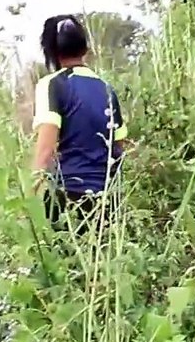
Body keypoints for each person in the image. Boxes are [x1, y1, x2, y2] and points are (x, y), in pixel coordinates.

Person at [31, 14, 127, 231]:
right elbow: (119, 147)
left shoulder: (53, 85)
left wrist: (28, 199)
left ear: (51, 50)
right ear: (85, 48)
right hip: (108, 199)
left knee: (63, 261)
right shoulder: (106, 88)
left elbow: (45, 150)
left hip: (69, 196)